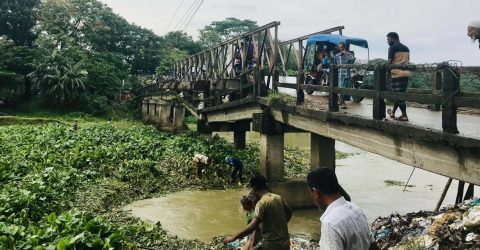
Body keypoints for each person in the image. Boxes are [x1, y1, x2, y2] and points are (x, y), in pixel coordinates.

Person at [307, 167, 378, 250]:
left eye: (310, 193)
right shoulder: (356, 210)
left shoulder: (330, 223)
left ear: (316, 192)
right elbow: (373, 245)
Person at [224, 175, 293, 250]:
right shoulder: (278, 197)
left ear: (254, 188)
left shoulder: (261, 203)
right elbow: (290, 211)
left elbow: (253, 226)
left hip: (271, 245)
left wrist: (233, 237)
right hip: (285, 244)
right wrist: (280, 226)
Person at [386, 32, 410, 122]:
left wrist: (387, 73)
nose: (387, 42)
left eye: (388, 39)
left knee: (398, 95)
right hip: (405, 74)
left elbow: (389, 62)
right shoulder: (406, 48)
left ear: (393, 38)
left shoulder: (392, 48)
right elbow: (407, 61)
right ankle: (392, 112)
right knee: (400, 94)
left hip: (396, 75)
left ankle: (404, 115)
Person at [334, 42, 355, 108]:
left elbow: (352, 61)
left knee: (345, 89)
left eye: (342, 47)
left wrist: (345, 55)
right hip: (340, 74)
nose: (340, 49)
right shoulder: (337, 55)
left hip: (347, 74)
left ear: (344, 47)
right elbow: (335, 65)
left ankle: (341, 101)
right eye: (339, 47)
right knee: (340, 89)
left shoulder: (349, 54)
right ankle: (342, 102)